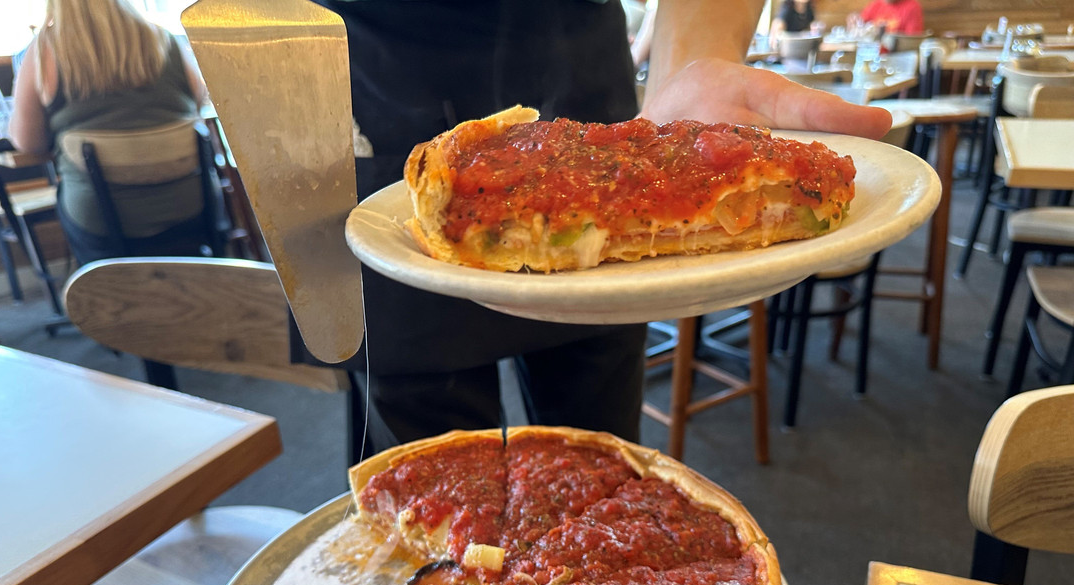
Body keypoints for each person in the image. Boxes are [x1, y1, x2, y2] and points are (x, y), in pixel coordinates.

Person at [303, 0, 892, 454]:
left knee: (603, 463)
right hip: (380, 93)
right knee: (430, 482)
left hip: (593, 90)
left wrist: (691, 70)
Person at [8, 0, 211, 265]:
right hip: (191, 206)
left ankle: (100, 288)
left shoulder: (43, 51)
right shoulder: (163, 39)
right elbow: (199, 102)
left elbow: (27, 141)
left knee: (67, 198)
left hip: (100, 223)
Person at [855, 0, 925, 35]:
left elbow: (911, 41)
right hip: (872, 53)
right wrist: (855, 22)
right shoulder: (877, 3)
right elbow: (860, 23)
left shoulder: (912, 7)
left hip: (897, 55)